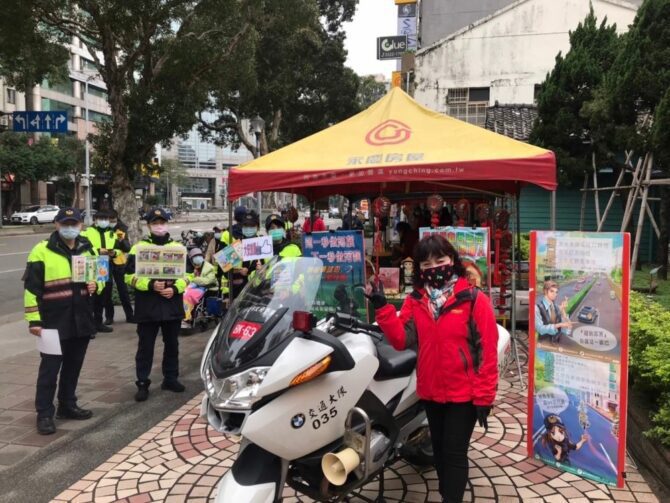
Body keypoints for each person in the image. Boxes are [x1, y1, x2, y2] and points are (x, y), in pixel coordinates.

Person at [366, 234, 498, 503]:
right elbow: (402, 339)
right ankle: (446, 492)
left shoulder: (473, 299)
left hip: (465, 395)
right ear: (419, 269)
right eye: (426, 264)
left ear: (453, 261)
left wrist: (484, 397)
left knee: (454, 453)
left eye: (440, 260)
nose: (434, 267)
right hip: (431, 391)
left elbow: (487, 352)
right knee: (439, 451)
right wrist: (382, 307)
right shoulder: (416, 300)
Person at [23, 208, 99, 435]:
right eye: (65, 223)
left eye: (74, 223)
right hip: (51, 322)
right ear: (56, 224)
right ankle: (44, 413)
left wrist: (96, 285)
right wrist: (34, 321)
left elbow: (97, 279)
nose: (70, 227)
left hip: (81, 320)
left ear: (80, 225)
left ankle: (67, 405)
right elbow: (31, 289)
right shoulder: (41, 251)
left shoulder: (87, 248)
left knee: (73, 367)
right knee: (49, 369)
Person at [125, 208, 188, 401]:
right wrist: (150, 284)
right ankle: (142, 382)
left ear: (167, 224)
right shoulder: (138, 248)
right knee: (145, 347)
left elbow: (190, 275)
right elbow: (128, 276)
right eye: (155, 223)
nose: (159, 226)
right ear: (148, 225)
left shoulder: (178, 248)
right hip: (148, 305)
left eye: (162, 222)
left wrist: (176, 288)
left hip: (171, 303)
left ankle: (170, 378)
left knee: (172, 345)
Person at [80, 209, 117, 333]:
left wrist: (114, 252)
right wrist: (97, 250)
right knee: (90, 296)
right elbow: (83, 246)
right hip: (91, 262)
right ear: (95, 220)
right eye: (101, 219)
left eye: (106, 219)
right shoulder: (87, 232)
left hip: (104, 264)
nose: (104, 222)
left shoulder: (111, 233)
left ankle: (98, 323)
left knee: (102, 296)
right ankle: (88, 326)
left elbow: (119, 248)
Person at [108, 210, 134, 323]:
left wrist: (122, 241)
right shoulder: (102, 230)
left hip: (119, 262)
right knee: (106, 291)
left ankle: (130, 315)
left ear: (117, 219)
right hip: (105, 263)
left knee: (123, 290)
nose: (110, 222)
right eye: (109, 220)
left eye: (113, 220)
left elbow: (127, 248)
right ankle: (109, 317)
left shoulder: (122, 229)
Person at [182, 247, 218, 329]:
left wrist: (194, 279)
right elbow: (187, 278)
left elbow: (208, 281)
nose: (197, 258)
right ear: (191, 259)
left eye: (198, 256)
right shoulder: (191, 267)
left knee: (188, 296)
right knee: (183, 292)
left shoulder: (209, 267)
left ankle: (187, 319)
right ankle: (184, 316)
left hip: (205, 288)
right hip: (193, 286)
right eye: (194, 257)